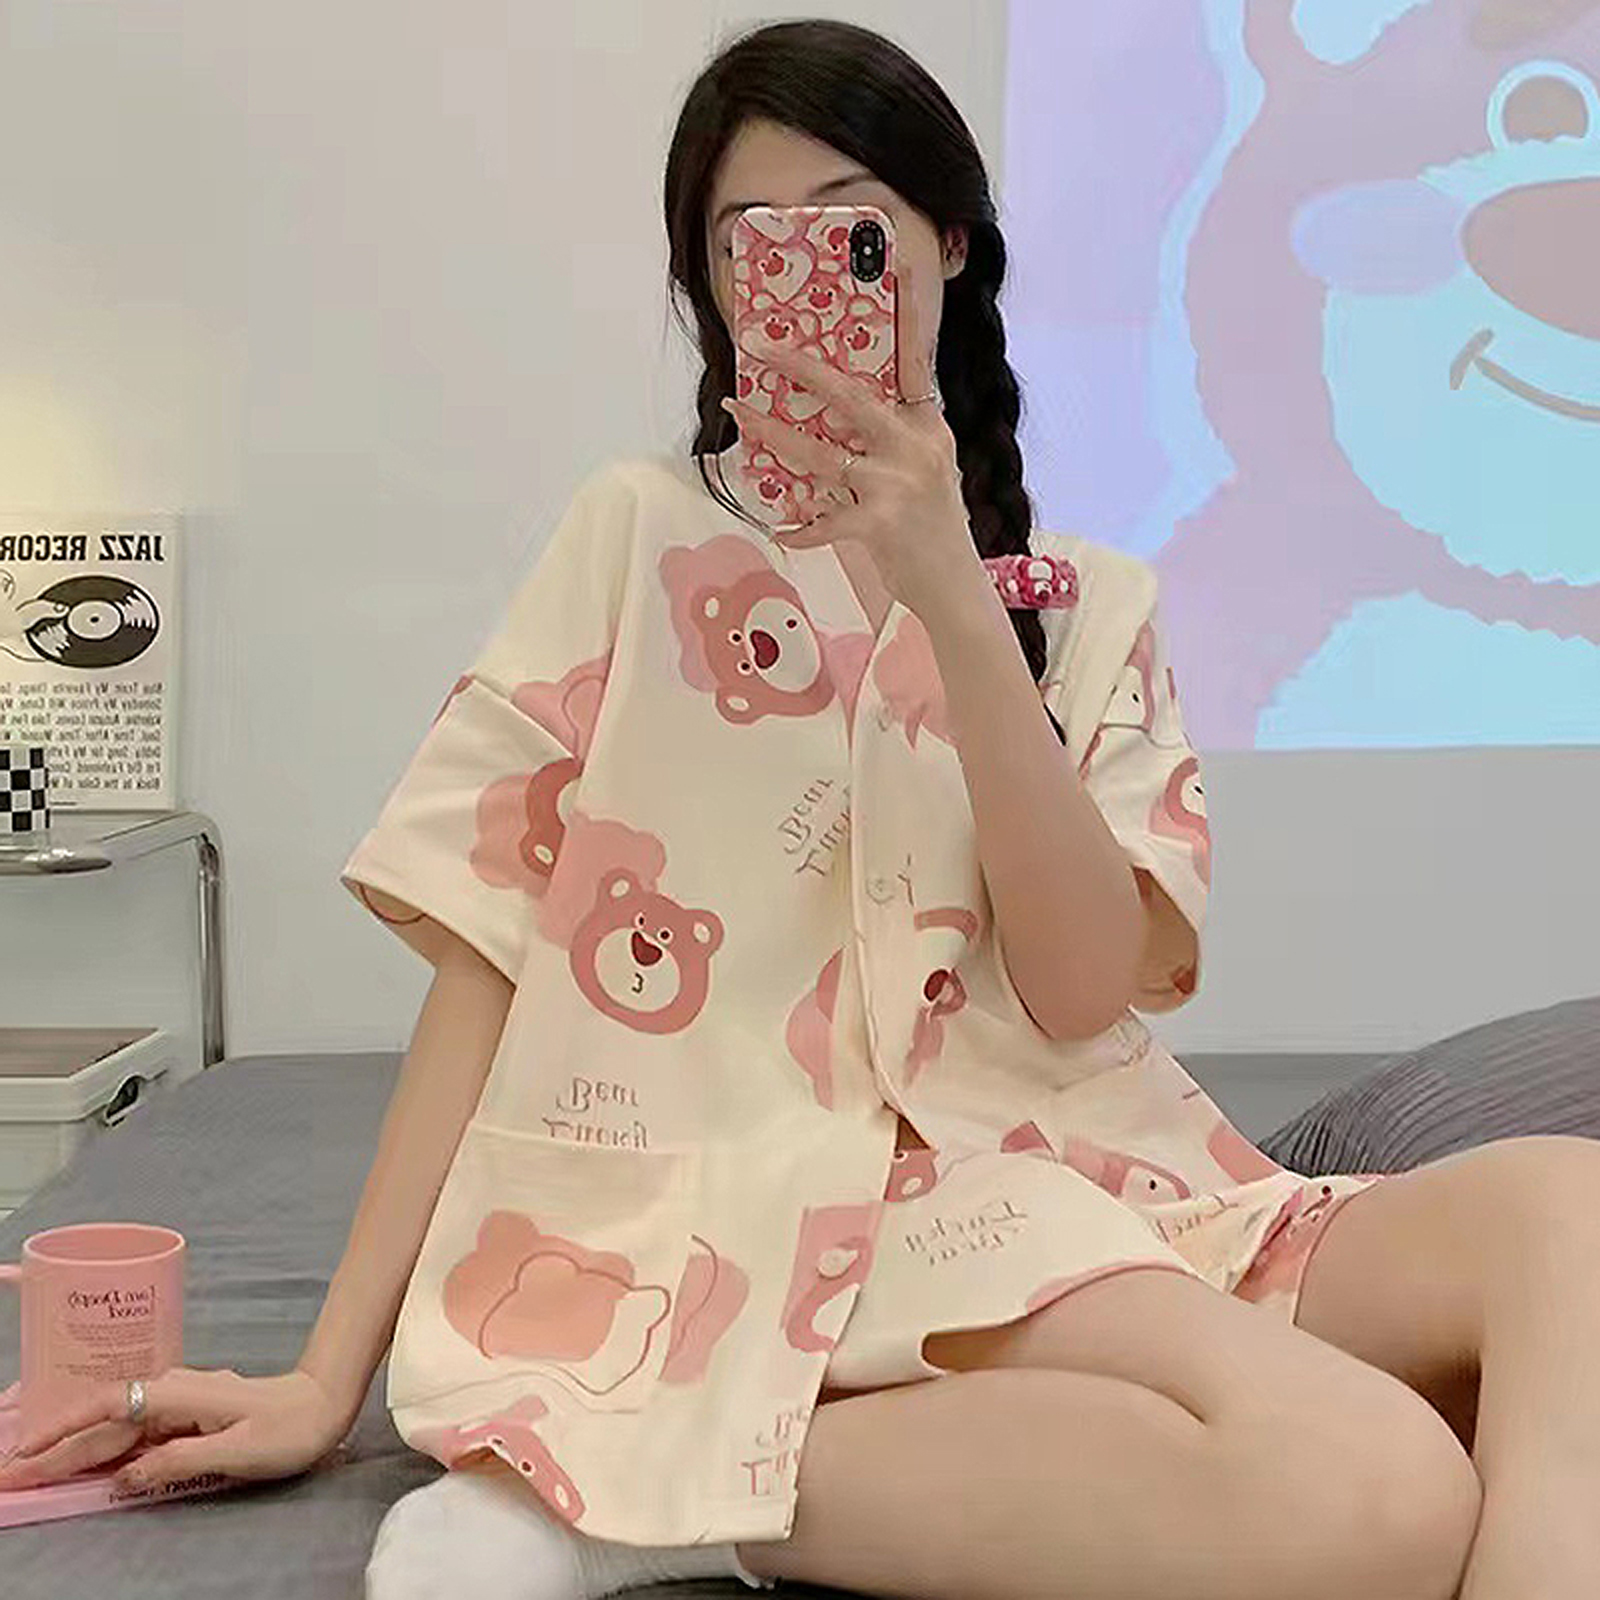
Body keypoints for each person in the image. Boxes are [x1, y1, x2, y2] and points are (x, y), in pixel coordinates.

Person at [6, 19, 1600, 1600]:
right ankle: (657, 1488)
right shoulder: (636, 535)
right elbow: (489, 953)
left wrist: (952, 596)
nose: (799, 275)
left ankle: (681, 1470)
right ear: (711, 291)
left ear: (949, 245)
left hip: (1086, 1184)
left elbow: (1074, 992)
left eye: (850, 229)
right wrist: (322, 1377)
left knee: (1568, 1212)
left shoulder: (1088, 602)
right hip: (779, 1212)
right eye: (744, 243)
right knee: (1385, 1491)